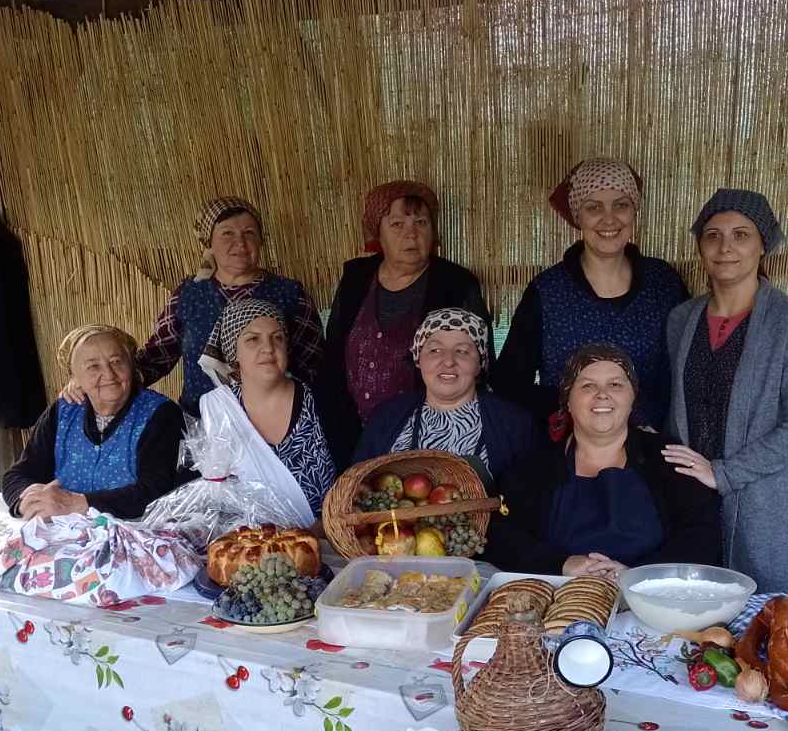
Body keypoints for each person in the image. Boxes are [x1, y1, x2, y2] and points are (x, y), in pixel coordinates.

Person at [661, 189, 788, 596]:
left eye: (741, 234)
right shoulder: (682, 319)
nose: (726, 247)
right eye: (713, 235)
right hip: (691, 506)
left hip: (762, 508)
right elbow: (678, 410)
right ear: (700, 246)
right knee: (689, 621)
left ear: (763, 244)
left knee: (766, 627)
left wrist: (724, 473)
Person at [59, 196, 323, 418]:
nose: (240, 243)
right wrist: (91, 384)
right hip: (201, 428)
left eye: (249, 233)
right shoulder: (189, 294)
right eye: (227, 233)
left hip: (272, 424)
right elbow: (157, 356)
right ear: (208, 243)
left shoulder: (288, 293)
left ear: (261, 241)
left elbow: (314, 364)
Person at [486, 344, 719, 576]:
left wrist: (638, 576)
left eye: (615, 384)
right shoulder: (531, 467)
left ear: (632, 398)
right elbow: (502, 537)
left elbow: (702, 537)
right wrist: (562, 564)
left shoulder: (670, 459)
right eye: (588, 385)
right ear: (568, 401)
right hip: (561, 601)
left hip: (653, 601)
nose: (602, 394)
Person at [491, 159, 687, 432]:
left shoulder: (664, 284)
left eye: (621, 204)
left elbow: (685, 369)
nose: (609, 218)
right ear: (577, 217)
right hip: (569, 452)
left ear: (634, 211)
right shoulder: (548, 291)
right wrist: (569, 411)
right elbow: (508, 382)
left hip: (650, 449)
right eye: (594, 207)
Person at [317, 181, 491, 464]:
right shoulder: (356, 278)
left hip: (426, 436)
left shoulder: (454, 283)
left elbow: (476, 363)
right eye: (397, 224)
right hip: (351, 431)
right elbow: (334, 353)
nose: (411, 234)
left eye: (421, 222)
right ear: (378, 234)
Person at [4, 325, 184, 520]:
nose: (109, 374)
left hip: (136, 535)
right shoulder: (63, 412)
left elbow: (157, 491)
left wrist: (78, 503)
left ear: (131, 366)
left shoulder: (160, 414)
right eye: (93, 366)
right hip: (65, 536)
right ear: (74, 378)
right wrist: (28, 499)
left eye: (116, 362)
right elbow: (19, 474)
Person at [353, 307, 541, 487]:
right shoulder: (385, 418)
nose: (449, 361)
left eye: (462, 351)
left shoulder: (515, 425)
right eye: (435, 350)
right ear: (419, 359)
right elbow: (358, 489)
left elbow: (528, 504)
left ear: (479, 364)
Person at [196, 297, 336, 517]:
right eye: (253, 339)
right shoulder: (218, 410)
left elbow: (349, 484)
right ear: (234, 352)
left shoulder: (323, 402)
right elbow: (216, 497)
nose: (268, 348)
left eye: (277, 338)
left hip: (327, 544)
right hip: (248, 546)